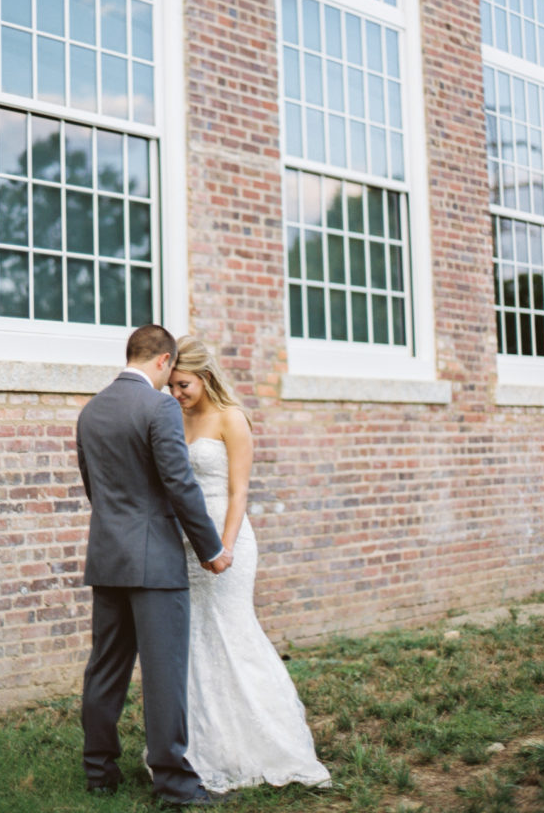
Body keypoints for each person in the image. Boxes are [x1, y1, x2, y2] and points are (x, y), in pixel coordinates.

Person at [76, 324, 233, 807]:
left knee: (105, 668)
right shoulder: (158, 405)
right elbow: (180, 484)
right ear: (164, 360)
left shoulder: (91, 410)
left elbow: (94, 487)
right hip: (155, 561)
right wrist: (211, 549)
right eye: (172, 372)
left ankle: (99, 772)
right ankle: (175, 786)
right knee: (164, 675)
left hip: (107, 556)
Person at [167, 336, 332, 794]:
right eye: (172, 387)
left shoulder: (232, 418)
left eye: (183, 386)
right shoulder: (174, 418)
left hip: (227, 538)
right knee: (196, 641)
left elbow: (240, 491)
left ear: (203, 376)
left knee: (233, 632)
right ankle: (205, 747)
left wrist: (227, 545)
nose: (177, 394)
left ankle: (270, 744)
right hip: (184, 545)